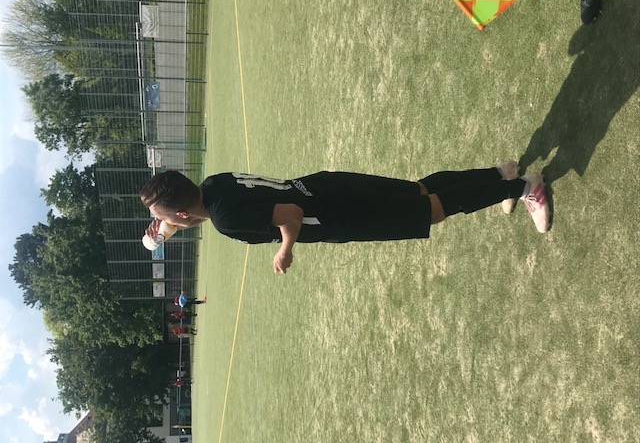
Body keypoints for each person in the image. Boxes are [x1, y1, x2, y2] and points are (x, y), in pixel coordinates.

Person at [140, 163, 550, 274]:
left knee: (431, 210)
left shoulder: (225, 220)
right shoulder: (213, 184)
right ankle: (500, 175)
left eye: (166, 219)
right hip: (323, 186)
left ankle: (523, 187)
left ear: (181, 212)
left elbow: (290, 216)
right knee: (419, 190)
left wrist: (284, 251)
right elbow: (201, 211)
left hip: (336, 213)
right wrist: (167, 225)